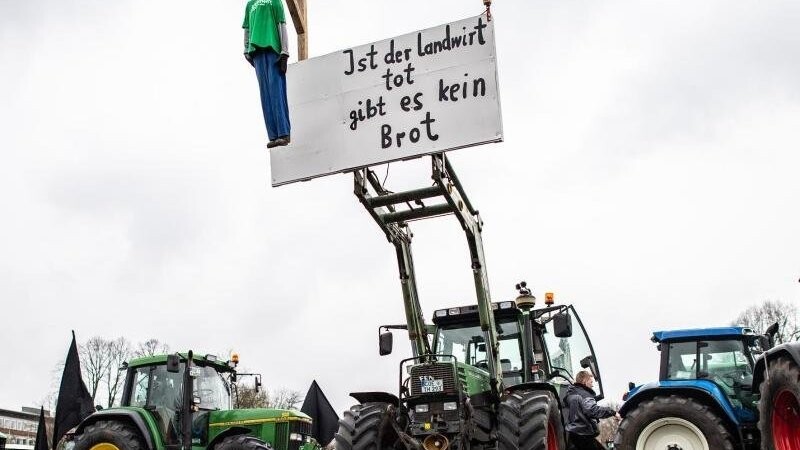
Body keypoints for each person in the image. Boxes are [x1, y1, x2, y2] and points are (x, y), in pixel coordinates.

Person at [242, 0, 291, 148]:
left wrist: (285, 52)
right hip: (256, 53)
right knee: (265, 95)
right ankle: (273, 135)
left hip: (273, 50)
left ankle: (283, 133)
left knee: (276, 91)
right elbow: (247, 29)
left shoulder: (275, 1)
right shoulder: (250, 4)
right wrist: (246, 49)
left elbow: (281, 25)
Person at [564, 370, 619, 450]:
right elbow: (592, 410)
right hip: (583, 434)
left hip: (574, 434)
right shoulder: (584, 394)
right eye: (591, 382)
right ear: (584, 381)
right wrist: (612, 412)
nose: (592, 385)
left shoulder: (572, 394)